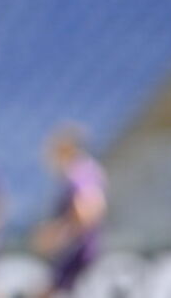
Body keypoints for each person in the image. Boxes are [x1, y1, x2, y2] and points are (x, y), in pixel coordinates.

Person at [32, 124, 107, 297]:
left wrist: (60, 233)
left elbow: (90, 207)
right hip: (84, 244)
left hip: (78, 245)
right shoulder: (88, 169)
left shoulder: (78, 171)